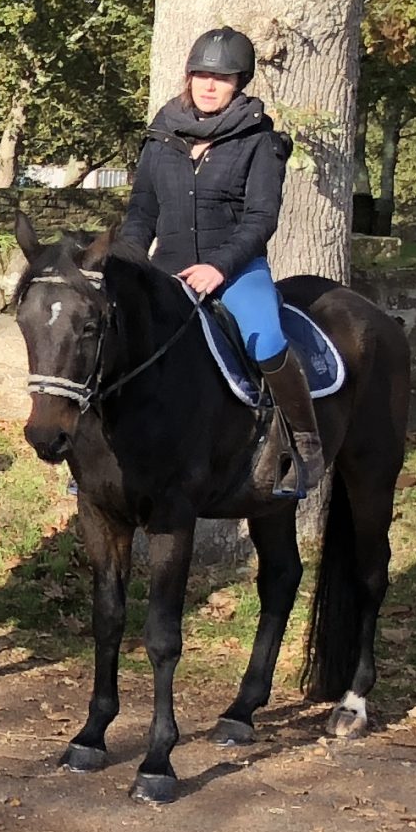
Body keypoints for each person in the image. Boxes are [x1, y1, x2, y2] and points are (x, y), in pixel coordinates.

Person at [115, 27, 320, 499]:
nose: (209, 85)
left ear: (239, 83)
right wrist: (127, 268)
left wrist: (220, 267)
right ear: (188, 77)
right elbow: (142, 213)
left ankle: (301, 444)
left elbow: (261, 217)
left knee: (265, 340)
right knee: (117, 337)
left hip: (235, 271)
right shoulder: (160, 137)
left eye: (222, 78)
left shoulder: (259, 142)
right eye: (202, 75)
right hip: (166, 269)